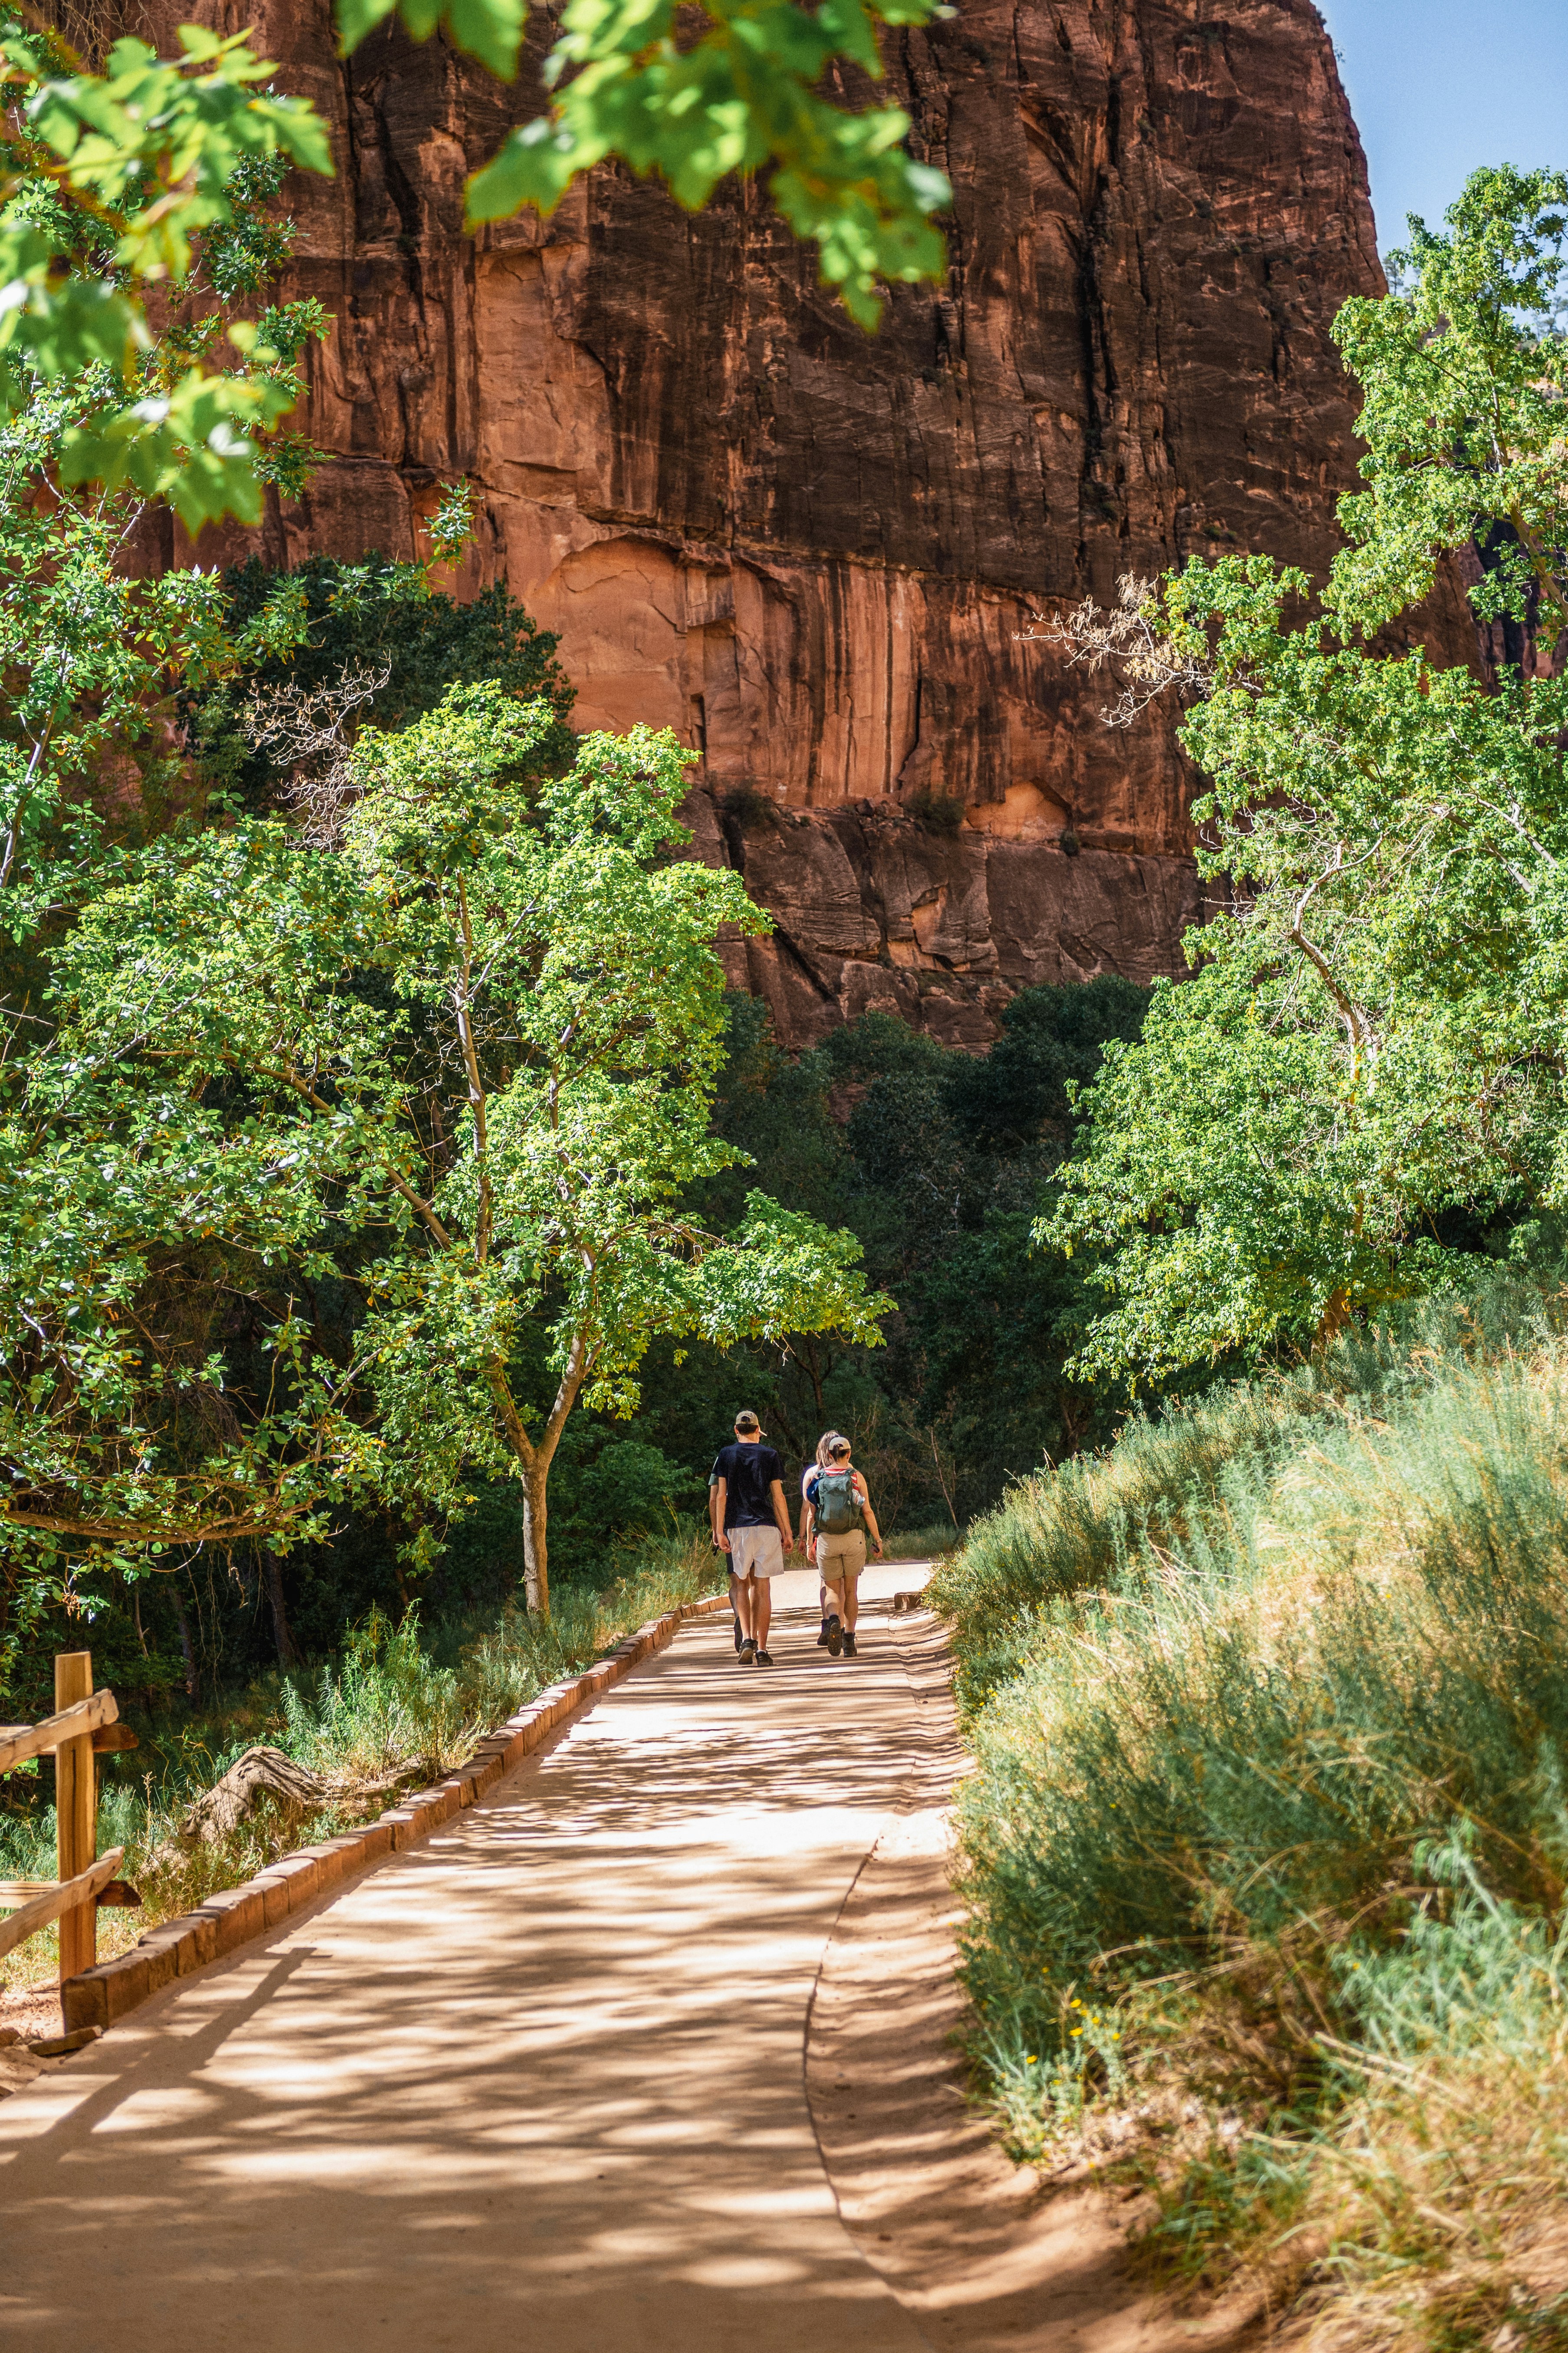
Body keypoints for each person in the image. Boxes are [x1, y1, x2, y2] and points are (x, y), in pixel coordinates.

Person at [710, 1409, 795, 1665]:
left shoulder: (726, 1455)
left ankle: (747, 1638)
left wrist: (719, 1530)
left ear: (736, 1431)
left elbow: (721, 1495)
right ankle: (763, 1648)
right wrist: (787, 1531)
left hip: (737, 1527)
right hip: (766, 1526)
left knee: (740, 1585)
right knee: (763, 1588)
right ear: (758, 1431)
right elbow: (778, 1496)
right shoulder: (770, 1455)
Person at [801, 1432, 882, 1657]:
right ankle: (849, 1639)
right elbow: (867, 1511)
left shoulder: (818, 1478)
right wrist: (877, 1539)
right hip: (853, 1538)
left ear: (829, 1454)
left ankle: (834, 1619)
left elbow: (811, 1514)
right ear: (849, 1453)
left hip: (827, 1540)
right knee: (851, 1590)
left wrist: (810, 1543)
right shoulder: (856, 1477)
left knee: (832, 1590)